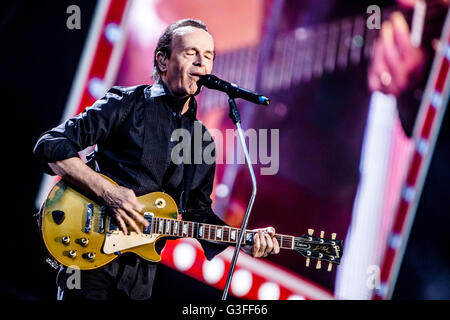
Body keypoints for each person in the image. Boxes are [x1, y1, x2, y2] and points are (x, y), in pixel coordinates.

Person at [33, 19, 280, 300]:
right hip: (89, 258)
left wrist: (242, 241)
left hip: (140, 278)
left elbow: (196, 212)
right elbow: (50, 145)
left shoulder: (201, 140)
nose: (202, 63)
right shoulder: (126, 103)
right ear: (163, 60)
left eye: (208, 56)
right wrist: (110, 193)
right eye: (192, 53)